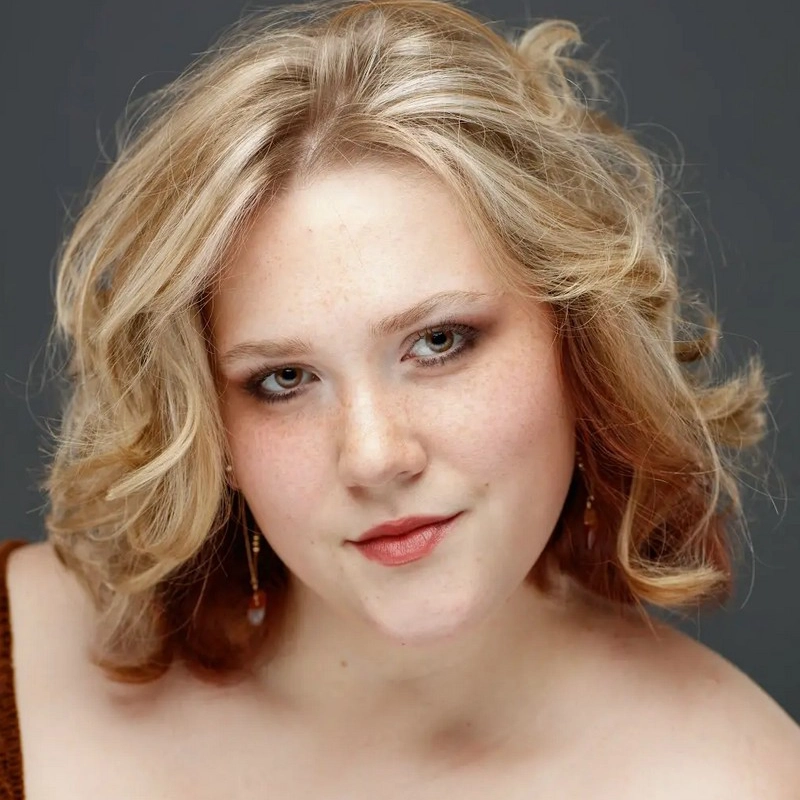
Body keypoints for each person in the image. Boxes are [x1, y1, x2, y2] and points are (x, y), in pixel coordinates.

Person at [2, 0, 799, 796]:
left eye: (440, 342)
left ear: (578, 347)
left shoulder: (736, 775)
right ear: (208, 425)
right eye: (284, 380)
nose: (376, 457)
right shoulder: (22, 658)